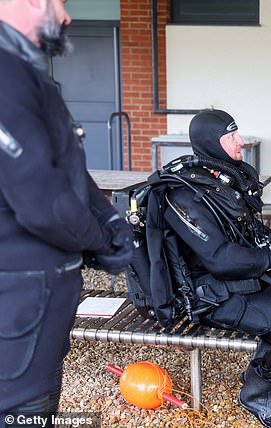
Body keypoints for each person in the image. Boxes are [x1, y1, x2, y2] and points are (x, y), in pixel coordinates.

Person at [159, 109, 271, 428]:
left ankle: (263, 371)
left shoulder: (225, 180)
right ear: (211, 142)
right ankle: (257, 392)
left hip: (248, 278)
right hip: (213, 294)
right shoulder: (183, 194)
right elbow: (220, 258)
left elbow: (246, 231)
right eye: (231, 137)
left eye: (237, 133)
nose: (240, 142)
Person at [0, 0, 133, 420]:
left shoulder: (24, 75)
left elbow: (65, 171)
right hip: (17, 311)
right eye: (61, 3)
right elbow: (44, 201)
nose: (67, 16)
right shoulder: (6, 77)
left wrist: (109, 219)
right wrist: (102, 242)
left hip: (34, 309)